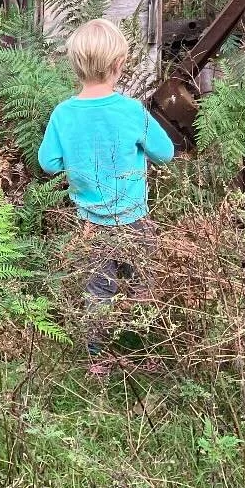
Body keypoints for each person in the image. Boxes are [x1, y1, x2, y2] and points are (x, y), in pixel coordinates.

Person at [37, 18, 175, 355]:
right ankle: (143, 348)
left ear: (75, 65)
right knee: (143, 284)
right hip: (136, 220)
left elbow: (48, 162)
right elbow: (165, 153)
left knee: (98, 290)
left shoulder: (63, 114)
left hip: (90, 224)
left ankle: (96, 357)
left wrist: (78, 163)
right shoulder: (131, 111)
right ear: (119, 64)